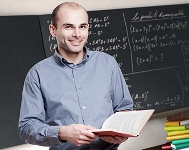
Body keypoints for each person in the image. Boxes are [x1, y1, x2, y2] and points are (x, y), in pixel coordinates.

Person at [18, 2, 133, 150]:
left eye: (82, 26)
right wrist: (62, 133)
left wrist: (121, 131)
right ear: (53, 30)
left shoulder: (108, 63)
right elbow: (26, 128)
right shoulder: (37, 74)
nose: (77, 34)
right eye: (68, 26)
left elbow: (124, 108)